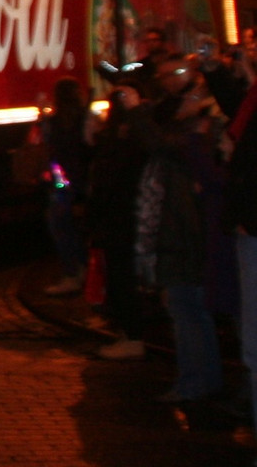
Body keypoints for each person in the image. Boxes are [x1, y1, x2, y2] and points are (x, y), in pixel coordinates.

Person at [135, 93, 225, 404]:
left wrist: (138, 109)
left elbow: (158, 142)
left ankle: (197, 381)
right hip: (183, 242)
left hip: (186, 244)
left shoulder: (193, 139)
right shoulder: (189, 138)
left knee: (190, 314)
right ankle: (197, 378)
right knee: (187, 313)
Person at [87, 77, 153, 359]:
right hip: (120, 215)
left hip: (121, 215)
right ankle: (129, 332)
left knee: (122, 276)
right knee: (120, 275)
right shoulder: (124, 133)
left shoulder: (129, 135)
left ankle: (132, 334)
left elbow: (112, 175)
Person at [41, 77, 91, 296]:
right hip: (85, 181)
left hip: (63, 182)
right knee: (81, 228)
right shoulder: (85, 118)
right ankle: (85, 270)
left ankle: (73, 273)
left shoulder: (54, 122)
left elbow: (50, 151)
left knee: (61, 227)